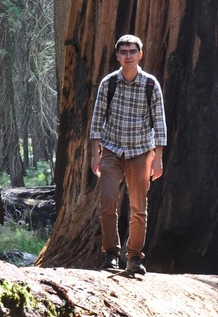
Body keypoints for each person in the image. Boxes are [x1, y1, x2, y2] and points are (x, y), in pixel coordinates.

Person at [89, 34, 167, 275]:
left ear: (140, 54)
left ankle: (134, 258)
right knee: (108, 201)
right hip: (112, 149)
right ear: (117, 56)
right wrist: (95, 154)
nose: (128, 56)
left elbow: (160, 123)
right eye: (123, 52)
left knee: (138, 207)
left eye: (132, 51)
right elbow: (97, 119)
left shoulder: (150, 84)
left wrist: (157, 158)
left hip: (141, 151)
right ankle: (111, 254)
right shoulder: (109, 83)